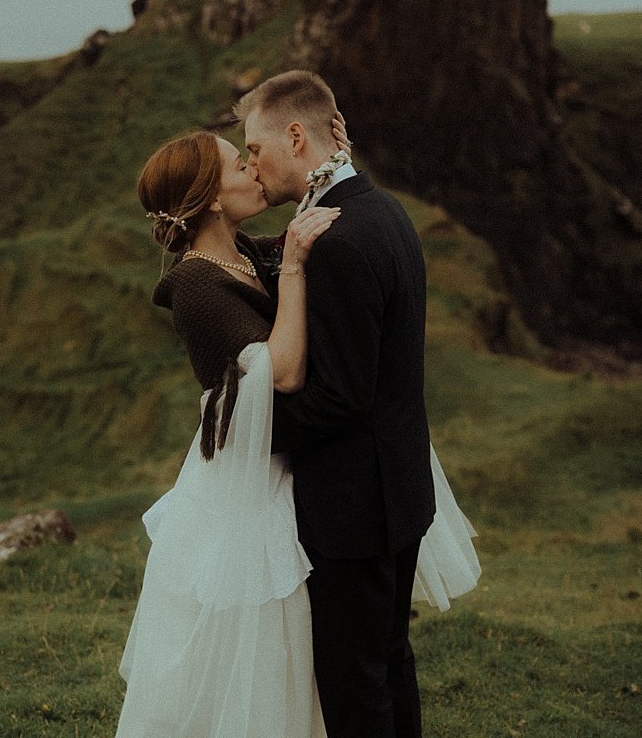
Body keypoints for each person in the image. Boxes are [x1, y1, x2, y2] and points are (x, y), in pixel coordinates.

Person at [115, 105, 479, 737]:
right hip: (245, 493)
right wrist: (294, 267)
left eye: (251, 153)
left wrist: (335, 162)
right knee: (263, 654)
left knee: (337, 657)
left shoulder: (243, 253)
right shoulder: (197, 286)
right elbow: (280, 373)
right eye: (239, 162)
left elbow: (322, 215)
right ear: (209, 199)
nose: (253, 167)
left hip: (283, 475)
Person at [236, 70, 440, 738]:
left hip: (357, 506)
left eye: (256, 151)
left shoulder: (338, 242)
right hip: (397, 490)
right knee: (387, 664)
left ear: (296, 137)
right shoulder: (379, 210)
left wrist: (248, 427)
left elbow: (341, 397)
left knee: (354, 688)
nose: (251, 167)